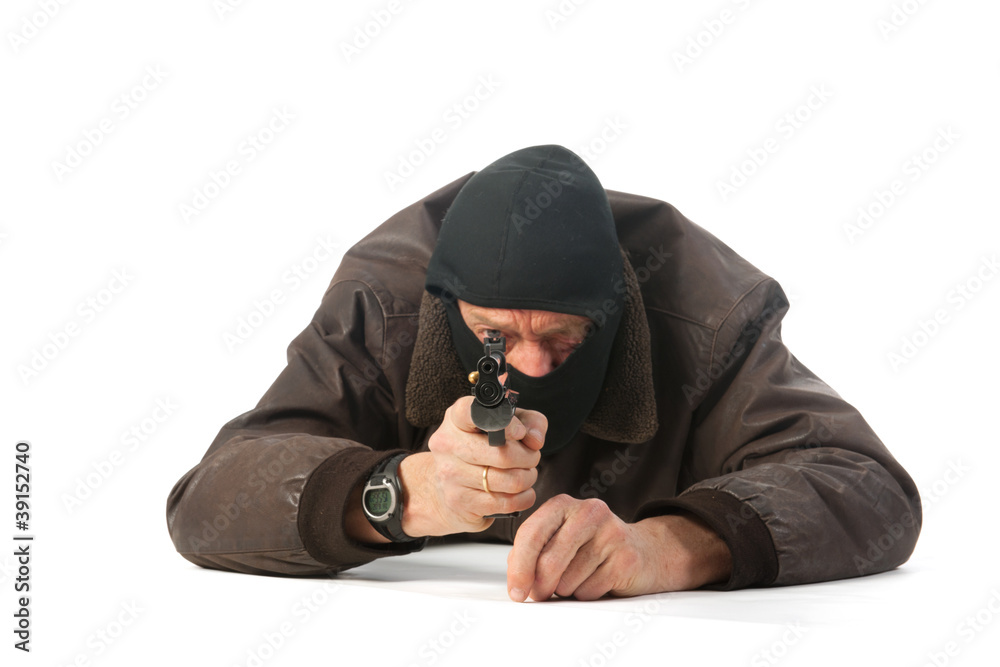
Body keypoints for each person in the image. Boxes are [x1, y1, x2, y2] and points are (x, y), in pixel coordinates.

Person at [166, 144, 921, 602]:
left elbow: (867, 484)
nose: (528, 367)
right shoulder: (383, 301)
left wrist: (668, 546)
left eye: (563, 339)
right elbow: (209, 497)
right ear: (446, 305)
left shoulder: (707, 315)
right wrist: (402, 492)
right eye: (493, 335)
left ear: (618, 309)